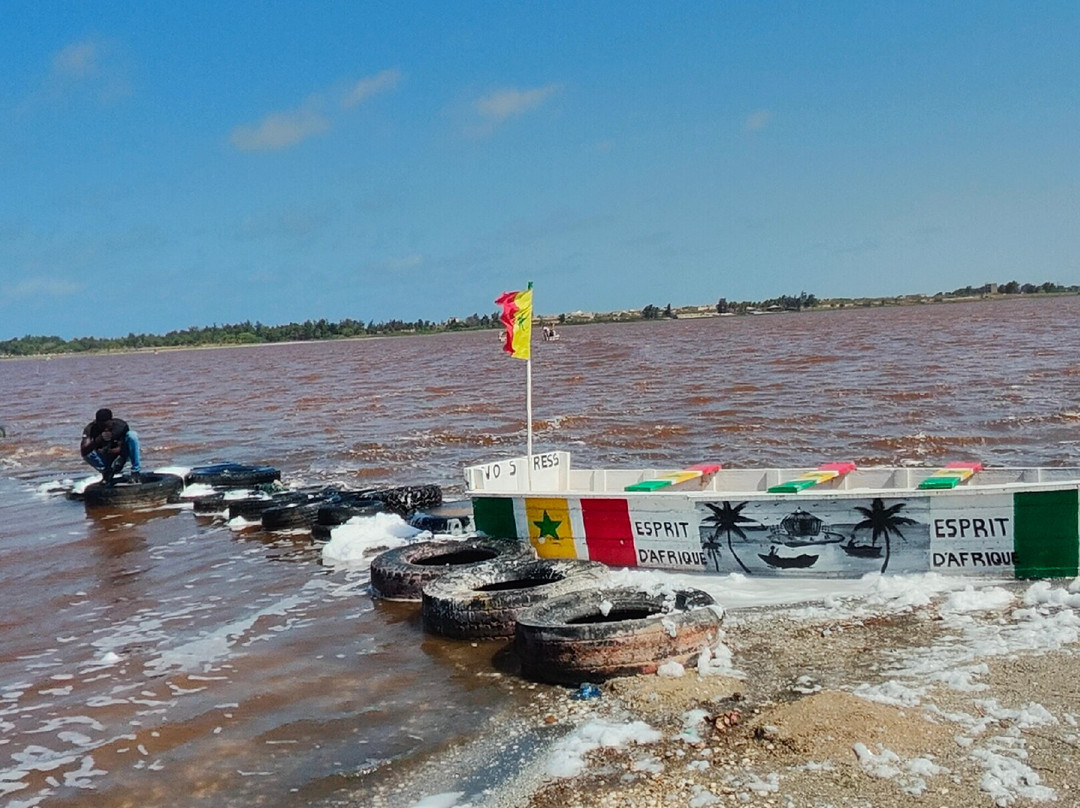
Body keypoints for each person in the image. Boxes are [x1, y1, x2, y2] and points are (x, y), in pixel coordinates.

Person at [80, 408, 142, 485]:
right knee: (88, 453)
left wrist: (114, 452)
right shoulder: (90, 429)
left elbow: (124, 446)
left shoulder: (121, 426)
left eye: (107, 426)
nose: (105, 429)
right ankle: (107, 473)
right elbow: (84, 450)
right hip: (104, 458)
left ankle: (135, 472)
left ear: (111, 421)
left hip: (120, 456)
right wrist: (98, 439)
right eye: (101, 426)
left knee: (132, 435)